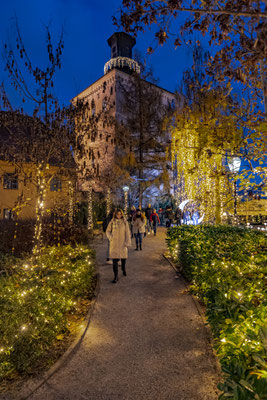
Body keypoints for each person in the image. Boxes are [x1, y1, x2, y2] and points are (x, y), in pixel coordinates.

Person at [106, 209, 131, 283]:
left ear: (122, 214)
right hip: (114, 244)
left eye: (120, 214)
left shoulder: (125, 222)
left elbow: (127, 233)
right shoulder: (112, 221)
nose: (119, 216)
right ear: (115, 214)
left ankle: (123, 268)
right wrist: (111, 238)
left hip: (123, 243)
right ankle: (115, 276)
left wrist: (127, 242)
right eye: (118, 214)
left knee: (123, 259)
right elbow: (107, 231)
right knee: (115, 260)